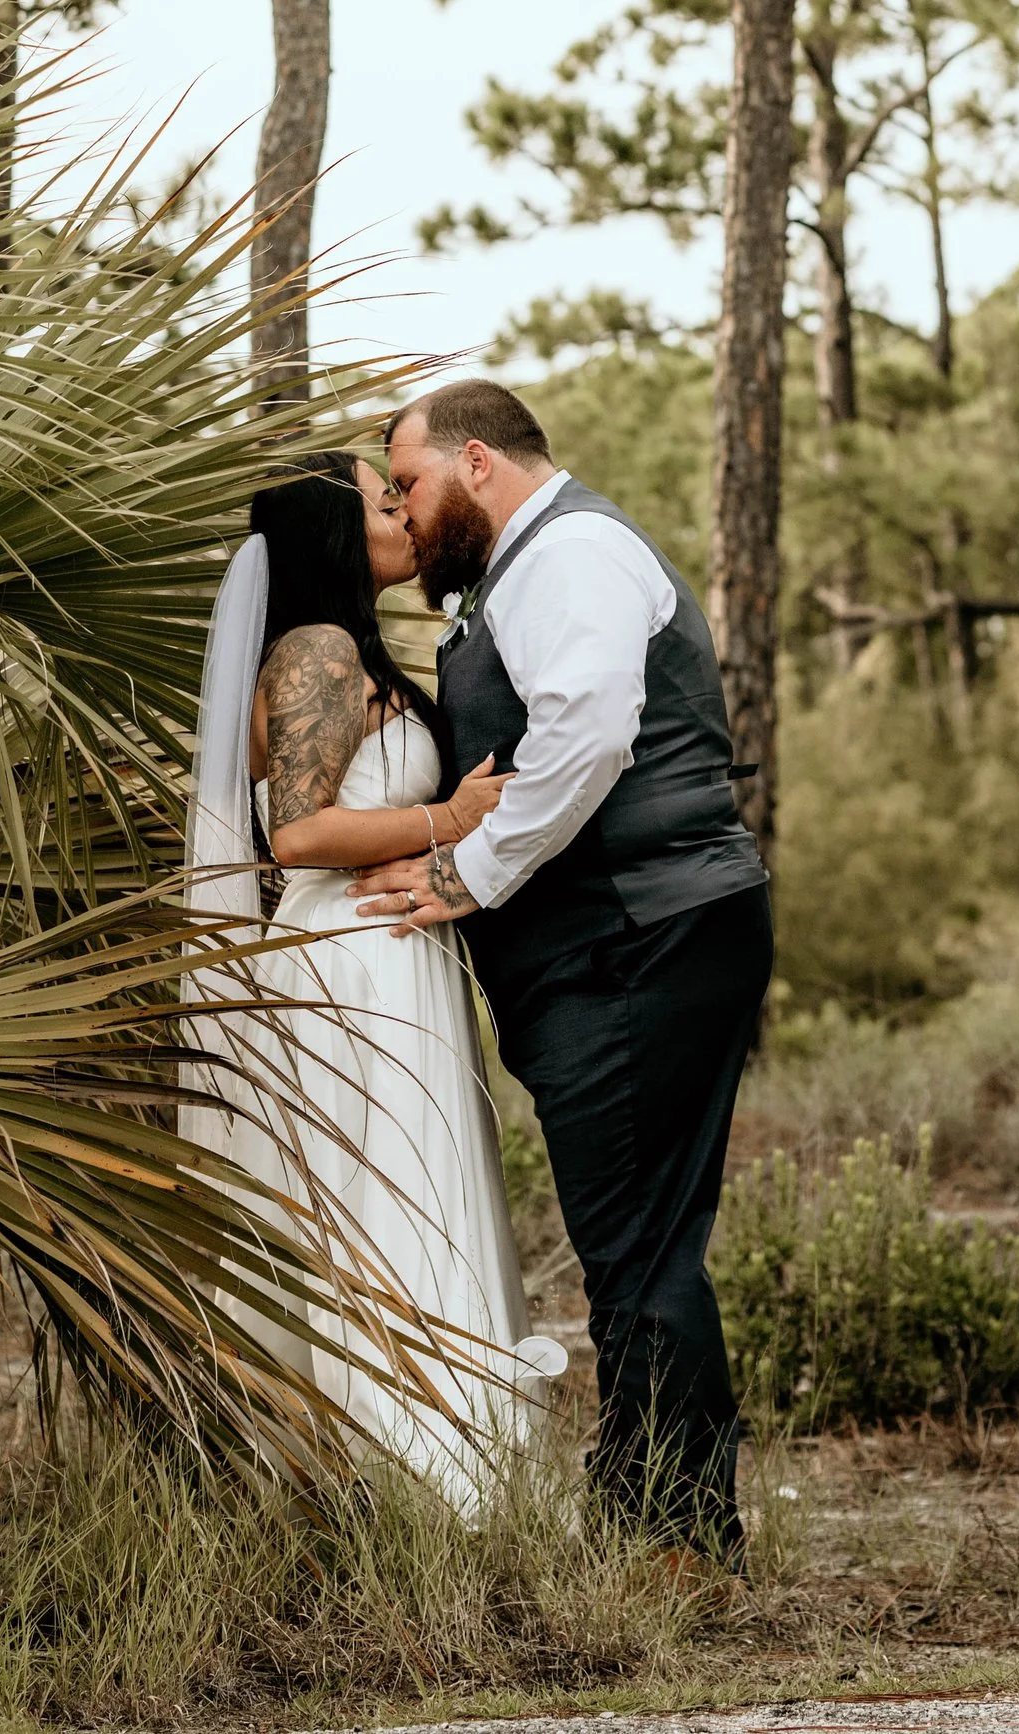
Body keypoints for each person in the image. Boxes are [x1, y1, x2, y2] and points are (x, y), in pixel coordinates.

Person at [355, 378, 772, 1565]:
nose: (404, 508)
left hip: (641, 936)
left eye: (411, 483)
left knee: (638, 1248)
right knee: (638, 1246)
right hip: (623, 944)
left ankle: (679, 1545)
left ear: (475, 460)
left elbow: (589, 732)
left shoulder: (571, 554)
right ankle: (645, 1516)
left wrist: (468, 874)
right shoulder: (518, 575)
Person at [184, 452, 566, 1501]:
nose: (403, 510)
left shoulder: (352, 649)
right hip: (348, 967)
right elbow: (300, 834)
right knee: (383, 1207)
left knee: (423, 1196)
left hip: (392, 959)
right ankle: (416, 1487)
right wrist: (451, 820)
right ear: (328, 529)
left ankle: (452, 1478)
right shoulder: (312, 649)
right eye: (379, 497)